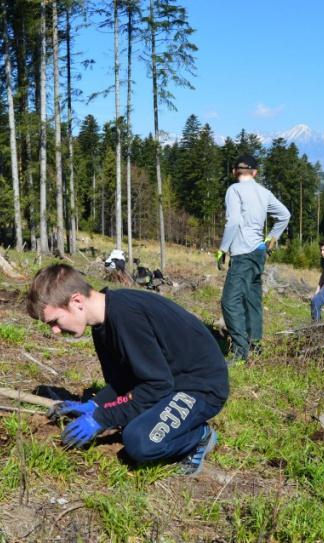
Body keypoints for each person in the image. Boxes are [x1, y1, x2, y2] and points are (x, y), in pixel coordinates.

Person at [26, 264, 229, 476]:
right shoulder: (102, 326)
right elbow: (125, 382)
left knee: (140, 441)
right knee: (128, 418)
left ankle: (199, 436)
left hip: (200, 387)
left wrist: (101, 418)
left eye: (55, 321)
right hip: (169, 380)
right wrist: (95, 404)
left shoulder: (126, 316)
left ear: (76, 301)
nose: (55, 331)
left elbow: (157, 385)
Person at [217, 155, 290, 362]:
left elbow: (233, 222)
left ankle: (241, 352)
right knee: (252, 299)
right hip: (259, 252)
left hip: (242, 254)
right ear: (255, 172)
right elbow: (285, 215)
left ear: (235, 172)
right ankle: (255, 346)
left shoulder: (234, 190)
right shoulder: (264, 193)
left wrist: (223, 249)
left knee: (230, 302)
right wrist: (271, 238)